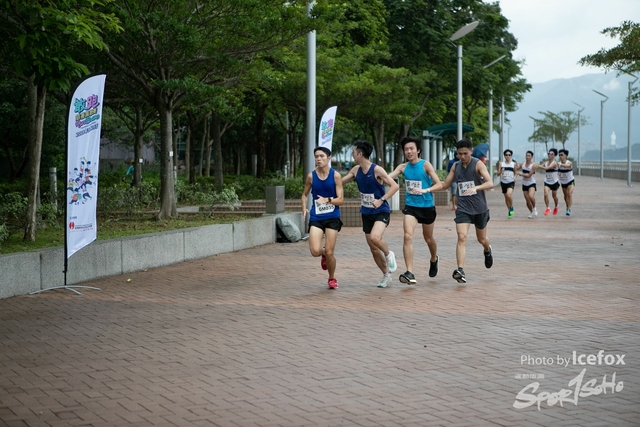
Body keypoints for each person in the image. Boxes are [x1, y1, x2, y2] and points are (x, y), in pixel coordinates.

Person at [342, 140, 399, 288]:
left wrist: (381, 200)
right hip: (366, 212)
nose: (352, 154)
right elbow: (340, 182)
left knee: (375, 237)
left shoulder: (377, 170)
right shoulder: (355, 170)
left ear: (360, 154)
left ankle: (388, 254)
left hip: (381, 210)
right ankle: (386, 275)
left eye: (354, 152)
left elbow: (395, 186)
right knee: (373, 247)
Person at [389, 136, 442, 285]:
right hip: (411, 207)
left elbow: (439, 185)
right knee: (407, 236)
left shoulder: (426, 165)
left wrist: (426, 190)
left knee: (428, 238)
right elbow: (388, 177)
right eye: (406, 149)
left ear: (418, 150)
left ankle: (434, 258)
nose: (409, 151)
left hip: (427, 206)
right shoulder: (402, 167)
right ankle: (410, 272)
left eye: (412, 148)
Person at [441, 139, 494, 284]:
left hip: (479, 208)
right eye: (460, 154)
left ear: (471, 151)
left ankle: (487, 249)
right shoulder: (455, 166)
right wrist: (427, 186)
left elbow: (490, 183)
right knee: (461, 237)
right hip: (463, 208)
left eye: (465, 153)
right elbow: (445, 185)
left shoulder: (478, 164)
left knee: (481, 239)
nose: (463, 156)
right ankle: (460, 270)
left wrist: (476, 188)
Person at [301, 147, 344, 289]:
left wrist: (328, 200)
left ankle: (331, 278)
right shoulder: (311, 176)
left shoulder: (336, 176)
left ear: (329, 158)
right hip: (316, 217)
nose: (318, 159)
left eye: (322, 156)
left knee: (331, 251)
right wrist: (304, 207)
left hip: (332, 217)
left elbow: (341, 200)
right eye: (316, 156)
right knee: (315, 251)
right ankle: (323, 254)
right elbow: (304, 195)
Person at [537, 148, 560, 216]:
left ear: (554, 155)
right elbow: (541, 166)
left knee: (554, 196)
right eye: (549, 153)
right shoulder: (546, 162)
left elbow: (547, 168)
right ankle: (548, 208)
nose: (549, 155)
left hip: (554, 182)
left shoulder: (554, 163)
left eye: (551, 154)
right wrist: (536, 166)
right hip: (547, 182)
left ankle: (556, 206)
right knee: (545, 194)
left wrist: (538, 166)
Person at [497, 149, 517, 218]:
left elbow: (516, 172)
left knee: (509, 195)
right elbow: (497, 174)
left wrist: (515, 177)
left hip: (510, 182)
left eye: (509, 155)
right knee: (506, 197)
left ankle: (511, 207)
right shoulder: (501, 164)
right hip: (503, 182)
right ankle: (509, 210)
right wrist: (501, 171)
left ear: (511, 156)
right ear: (504, 156)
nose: (507, 156)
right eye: (506, 155)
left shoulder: (513, 164)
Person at [518, 150, 538, 218]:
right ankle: (531, 212)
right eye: (526, 155)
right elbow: (515, 169)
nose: (527, 157)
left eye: (529, 156)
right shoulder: (522, 164)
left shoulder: (533, 165)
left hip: (531, 182)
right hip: (524, 183)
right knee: (527, 200)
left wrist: (520, 174)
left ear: (531, 157)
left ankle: (534, 207)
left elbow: (529, 175)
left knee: (531, 196)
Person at [558, 149, 575, 216]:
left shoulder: (569, 162)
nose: (560, 156)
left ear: (566, 156)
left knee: (569, 194)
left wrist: (561, 165)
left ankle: (568, 209)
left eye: (561, 155)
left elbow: (568, 166)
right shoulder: (558, 164)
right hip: (563, 182)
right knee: (565, 196)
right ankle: (567, 206)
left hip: (570, 181)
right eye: (559, 155)